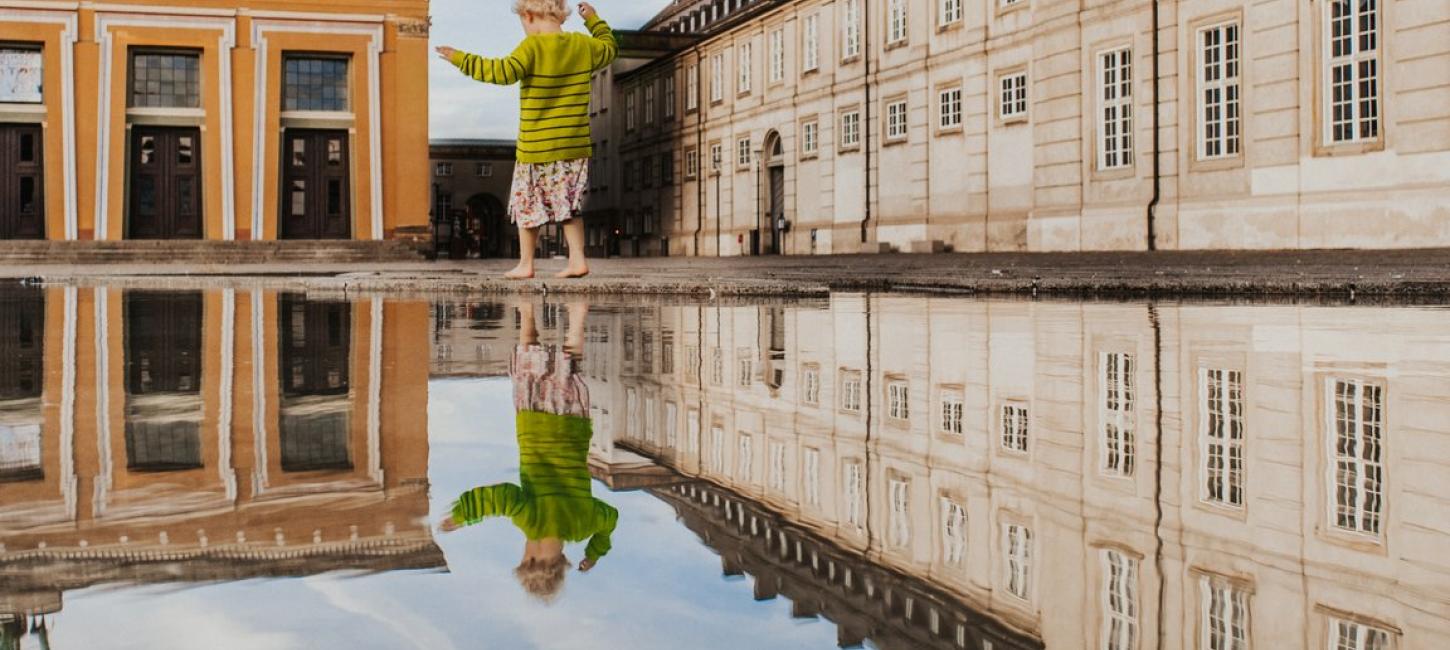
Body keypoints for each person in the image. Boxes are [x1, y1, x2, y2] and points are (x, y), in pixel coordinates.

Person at [439, 302, 616, 603]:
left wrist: (595, 552)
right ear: (558, 561)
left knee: (567, 369)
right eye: (537, 562)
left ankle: (571, 316)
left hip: (570, 429)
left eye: (525, 561)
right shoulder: (533, 523)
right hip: (538, 429)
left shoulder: (581, 526)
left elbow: (610, 519)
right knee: (529, 368)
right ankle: (530, 313)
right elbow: (500, 498)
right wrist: (462, 516)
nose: (529, 554)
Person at [436, 1, 617, 280]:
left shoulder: (531, 48)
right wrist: (593, 20)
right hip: (573, 145)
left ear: (529, 16)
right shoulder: (583, 46)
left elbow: (500, 72)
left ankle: (526, 263)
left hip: (535, 147)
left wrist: (461, 58)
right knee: (569, 205)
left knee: (526, 206)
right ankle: (578, 260)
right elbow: (609, 48)